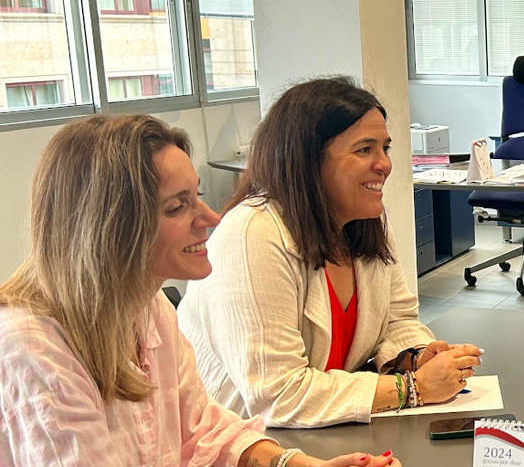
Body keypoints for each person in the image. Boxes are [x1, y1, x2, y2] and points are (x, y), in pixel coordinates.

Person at [0, 115, 406, 467]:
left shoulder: (146, 307)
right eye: (178, 206)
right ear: (110, 226)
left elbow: (201, 431)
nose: (210, 217)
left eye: (197, 196)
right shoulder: (30, 349)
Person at [179, 77, 482, 428]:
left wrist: (413, 357)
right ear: (307, 161)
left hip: (324, 435)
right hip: (240, 450)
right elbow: (277, 396)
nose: (384, 163)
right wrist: (411, 388)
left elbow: (397, 319)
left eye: (385, 147)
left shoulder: (365, 220)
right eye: (364, 149)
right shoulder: (252, 235)